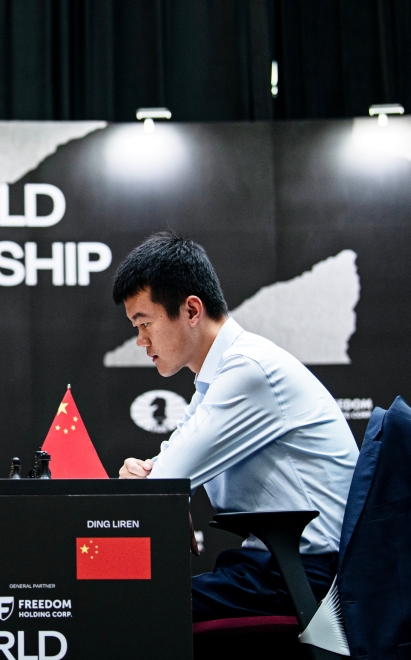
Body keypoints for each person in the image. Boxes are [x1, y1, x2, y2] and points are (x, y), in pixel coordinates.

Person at [112, 232, 357, 622]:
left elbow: (161, 485)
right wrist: (153, 481)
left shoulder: (248, 371)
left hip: (308, 577)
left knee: (131, 609)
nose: (141, 341)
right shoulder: (218, 378)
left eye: (145, 324)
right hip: (280, 568)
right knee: (140, 605)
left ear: (192, 310)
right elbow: (162, 475)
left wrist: (158, 485)